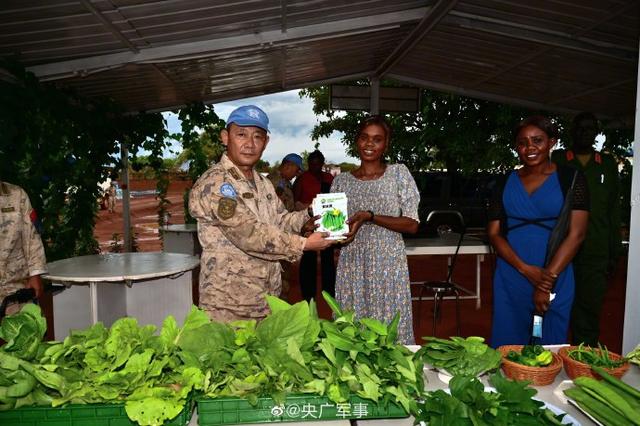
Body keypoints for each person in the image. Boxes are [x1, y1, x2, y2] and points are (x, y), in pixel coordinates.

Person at [189, 105, 334, 322]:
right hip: (229, 306)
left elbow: (280, 220)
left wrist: (309, 214)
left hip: (266, 300)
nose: (250, 144)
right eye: (241, 135)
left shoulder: (263, 183)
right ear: (225, 137)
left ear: (265, 142)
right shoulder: (216, 183)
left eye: (257, 136)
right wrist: (303, 245)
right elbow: (250, 234)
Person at [488, 116, 589, 347]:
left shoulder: (571, 178)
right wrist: (525, 270)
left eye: (537, 140)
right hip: (512, 271)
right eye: (522, 142)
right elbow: (494, 233)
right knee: (508, 342)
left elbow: (577, 234)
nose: (529, 148)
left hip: (555, 271)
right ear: (516, 147)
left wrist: (545, 282)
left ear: (552, 142)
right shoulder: (505, 181)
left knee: (548, 342)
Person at [330, 115, 420, 344]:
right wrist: (336, 239)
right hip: (352, 264)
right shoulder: (341, 182)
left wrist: (370, 217)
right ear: (356, 141)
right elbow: (335, 230)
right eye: (364, 138)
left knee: (389, 330)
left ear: (386, 144)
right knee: (352, 331)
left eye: (377, 139)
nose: (370, 144)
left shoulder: (398, 174)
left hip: (388, 264)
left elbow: (411, 224)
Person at [552, 112, 622, 346]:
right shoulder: (560, 160)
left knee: (589, 309)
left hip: (595, 250)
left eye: (590, 129)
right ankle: (554, 357)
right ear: (572, 131)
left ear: (596, 133)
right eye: (580, 128)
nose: (585, 133)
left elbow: (613, 211)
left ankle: (584, 359)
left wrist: (614, 251)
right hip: (563, 249)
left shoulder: (608, 165)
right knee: (557, 306)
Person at [293, 150, 337, 301]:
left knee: (328, 257)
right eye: (312, 164)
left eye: (318, 164)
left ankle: (329, 291)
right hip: (308, 222)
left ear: (322, 163)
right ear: (308, 164)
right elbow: (295, 201)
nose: (315, 167)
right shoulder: (302, 179)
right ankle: (308, 295)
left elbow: (337, 198)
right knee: (308, 258)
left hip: (328, 222)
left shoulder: (329, 178)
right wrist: (308, 209)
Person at [0, 181, 46, 312]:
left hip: (16, 288)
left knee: (24, 329)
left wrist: (35, 274)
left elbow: (32, 236)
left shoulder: (17, 195)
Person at [267, 153, 304, 300]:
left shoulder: (285, 182)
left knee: (285, 273)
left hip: (285, 232)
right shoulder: (273, 182)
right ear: (288, 165)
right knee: (278, 275)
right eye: (296, 170)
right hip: (276, 234)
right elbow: (273, 209)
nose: (297, 174)